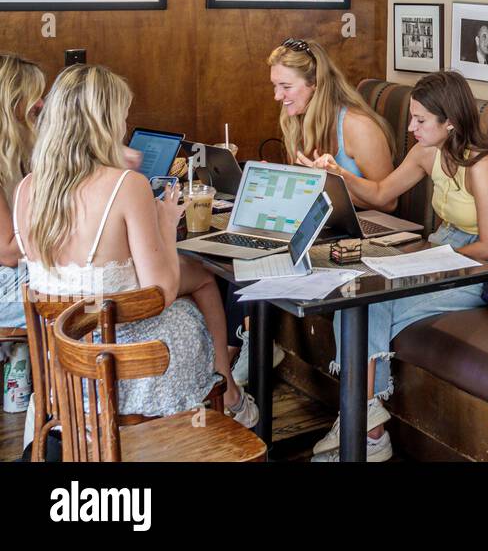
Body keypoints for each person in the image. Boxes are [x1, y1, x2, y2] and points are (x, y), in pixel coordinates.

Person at [9, 65, 256, 425]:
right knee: (198, 283)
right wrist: (166, 224)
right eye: (122, 117)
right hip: (127, 367)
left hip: (62, 367)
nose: (124, 126)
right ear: (106, 123)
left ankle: (229, 389)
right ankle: (227, 387)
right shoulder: (127, 185)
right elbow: (161, 291)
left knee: (188, 286)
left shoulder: (27, 188)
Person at [302, 72, 488, 461]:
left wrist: (431, 260)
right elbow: (382, 192)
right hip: (441, 248)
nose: (412, 127)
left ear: (449, 121)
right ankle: (369, 425)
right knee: (359, 299)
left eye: (420, 120)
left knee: (377, 305)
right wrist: (340, 175)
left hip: (478, 266)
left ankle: (362, 428)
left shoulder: (482, 166)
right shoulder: (426, 153)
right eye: (412, 118)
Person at [268, 39, 396, 210]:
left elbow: (389, 204)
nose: (277, 96)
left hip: (362, 225)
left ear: (315, 83)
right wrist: (275, 180)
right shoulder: (295, 119)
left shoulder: (359, 127)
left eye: (286, 86)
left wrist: (325, 184)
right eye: (275, 86)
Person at [0, 55, 45, 333]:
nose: (40, 104)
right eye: (34, 96)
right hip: (5, 287)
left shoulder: (17, 156)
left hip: (16, 277)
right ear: (10, 103)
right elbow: (8, 254)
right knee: (90, 293)